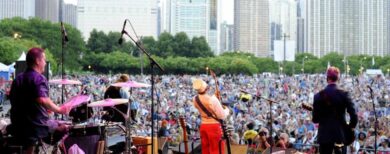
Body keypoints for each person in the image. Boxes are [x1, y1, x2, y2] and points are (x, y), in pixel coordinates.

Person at [8, 47, 71, 154]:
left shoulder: (17, 79)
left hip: (17, 126)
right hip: (36, 127)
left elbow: (18, 101)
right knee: (65, 127)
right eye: (44, 60)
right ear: (37, 61)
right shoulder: (39, 78)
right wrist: (60, 110)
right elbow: (42, 100)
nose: (45, 63)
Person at [312, 66, 358, 154]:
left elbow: (315, 119)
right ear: (338, 78)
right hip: (340, 136)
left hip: (324, 136)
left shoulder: (318, 96)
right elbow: (354, 115)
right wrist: (349, 128)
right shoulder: (344, 94)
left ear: (327, 78)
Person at [192, 78, 229, 154]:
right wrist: (227, 110)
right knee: (216, 150)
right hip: (214, 127)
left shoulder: (195, 99)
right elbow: (222, 116)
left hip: (203, 126)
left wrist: (215, 97)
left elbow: (205, 102)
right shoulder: (212, 100)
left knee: (206, 150)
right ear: (206, 88)